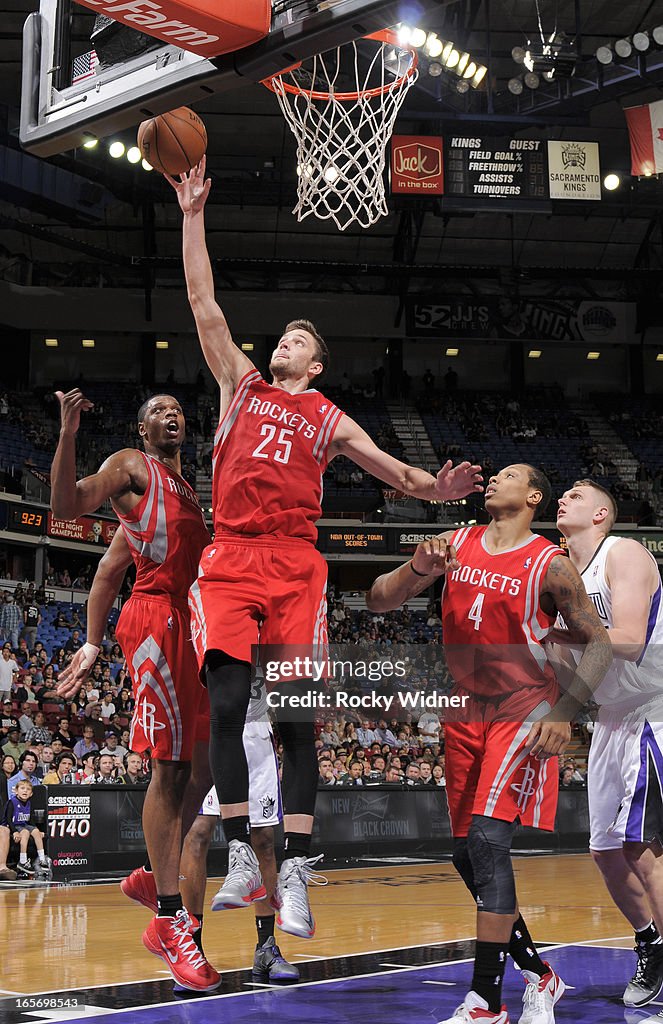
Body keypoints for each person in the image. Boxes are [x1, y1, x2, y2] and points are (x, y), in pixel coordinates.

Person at [170, 153, 482, 941]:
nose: (284, 341)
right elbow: (204, 303)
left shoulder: (329, 417)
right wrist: (192, 215)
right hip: (233, 558)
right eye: (281, 335)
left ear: (315, 365)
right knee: (230, 705)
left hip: (295, 567)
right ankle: (243, 853)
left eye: (297, 340)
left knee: (299, 724)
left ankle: (300, 868)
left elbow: (395, 467)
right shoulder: (240, 385)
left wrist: (435, 493)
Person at [366, 463, 612, 1024]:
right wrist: (415, 567)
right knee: (463, 853)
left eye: (505, 475)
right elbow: (378, 600)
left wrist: (567, 711)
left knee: (487, 840)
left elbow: (597, 644)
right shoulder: (455, 542)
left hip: (522, 705)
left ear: (532, 496)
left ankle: (485, 1001)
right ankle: (541, 974)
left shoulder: (551, 566)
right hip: (463, 704)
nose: (492, 481)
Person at [51, 392, 218, 992]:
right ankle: (171, 921)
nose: (172, 413)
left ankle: (153, 875)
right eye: (159, 409)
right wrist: (68, 435)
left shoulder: (184, 492)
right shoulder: (131, 466)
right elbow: (66, 506)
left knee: (200, 773)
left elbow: (106, 570)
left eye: (178, 408)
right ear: (142, 427)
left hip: (191, 624)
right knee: (170, 772)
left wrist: (93, 642)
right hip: (156, 623)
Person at [552, 479, 663, 1009]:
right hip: (609, 718)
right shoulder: (559, 572)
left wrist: (562, 638)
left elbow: (629, 639)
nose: (563, 498)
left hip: (653, 710)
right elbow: (564, 664)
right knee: (604, 852)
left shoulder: (624, 553)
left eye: (576, 493)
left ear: (601, 514)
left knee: (641, 849)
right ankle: (650, 941)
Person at [179, 676, 300, 984]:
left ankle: (266, 946)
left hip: (255, 731)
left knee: (263, 840)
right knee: (198, 834)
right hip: (211, 731)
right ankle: (192, 948)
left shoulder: (266, 630)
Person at [1, 779, 49, 878]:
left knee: (36, 832)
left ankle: (42, 859)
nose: (25, 791)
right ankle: (22, 860)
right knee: (26, 833)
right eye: (22, 788)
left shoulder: (29, 803)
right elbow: (8, 819)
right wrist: (14, 832)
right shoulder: (12, 802)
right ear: (16, 791)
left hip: (23, 824)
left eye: (28, 789)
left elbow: (30, 820)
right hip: (14, 825)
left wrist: (37, 830)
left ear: (31, 793)